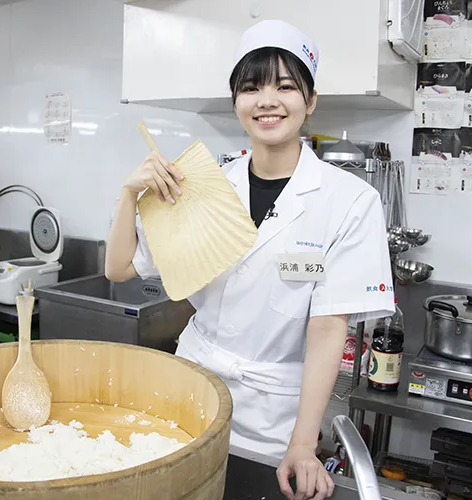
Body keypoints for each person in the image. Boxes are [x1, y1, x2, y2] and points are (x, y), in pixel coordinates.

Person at [105, 20, 394, 500]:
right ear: (236, 101)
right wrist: (128, 193)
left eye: (285, 86)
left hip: (275, 417)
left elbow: (327, 326)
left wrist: (304, 443)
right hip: (189, 390)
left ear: (311, 100)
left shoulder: (349, 201)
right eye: (251, 87)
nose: (267, 100)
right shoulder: (203, 184)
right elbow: (119, 269)